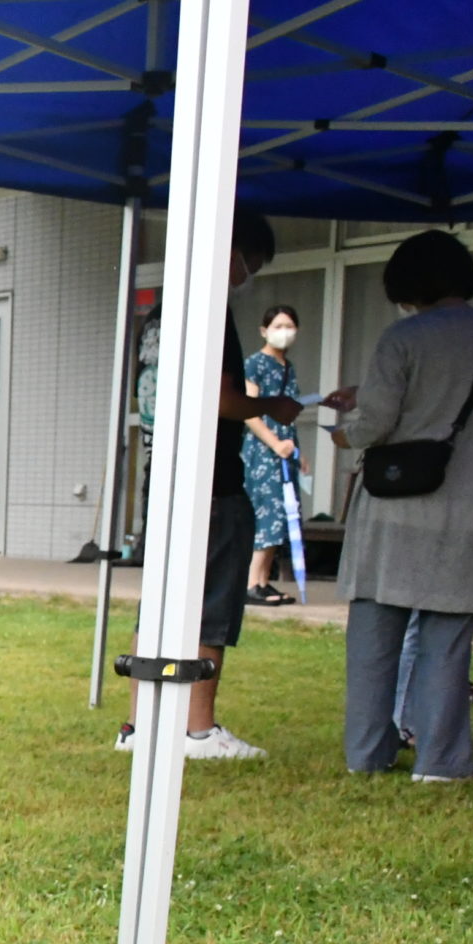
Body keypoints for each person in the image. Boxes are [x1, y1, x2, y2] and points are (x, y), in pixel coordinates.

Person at [331, 229, 473, 782]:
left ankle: (367, 755)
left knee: (374, 642)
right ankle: (442, 762)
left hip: (393, 513)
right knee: (447, 644)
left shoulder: (402, 336)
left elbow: (375, 425)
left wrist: (345, 432)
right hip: (466, 511)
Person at [115, 207, 302, 762]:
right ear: (233, 252)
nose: (249, 277)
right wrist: (272, 405)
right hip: (211, 485)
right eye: (252, 264)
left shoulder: (160, 312)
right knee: (210, 606)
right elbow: (222, 401)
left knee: (161, 604)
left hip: (164, 476)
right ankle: (198, 728)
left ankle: (137, 726)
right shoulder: (208, 313)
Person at [241, 305, 305, 604]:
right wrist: (274, 443)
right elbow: (249, 412)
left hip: (284, 451)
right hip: (262, 452)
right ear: (264, 330)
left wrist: (296, 450)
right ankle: (252, 582)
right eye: (278, 326)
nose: (284, 332)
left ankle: (264, 581)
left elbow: (289, 415)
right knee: (269, 512)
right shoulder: (254, 364)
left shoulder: (288, 367)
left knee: (283, 514)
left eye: (289, 326)